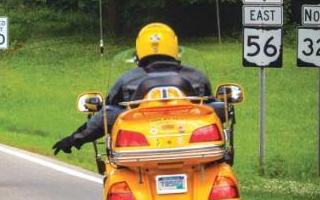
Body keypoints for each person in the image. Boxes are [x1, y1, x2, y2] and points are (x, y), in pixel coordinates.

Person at [52, 23, 212, 155]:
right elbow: (213, 110)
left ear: (139, 49)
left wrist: (74, 139)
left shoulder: (127, 80)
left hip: (139, 150)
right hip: (194, 147)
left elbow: (106, 115)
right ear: (174, 47)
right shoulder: (197, 77)